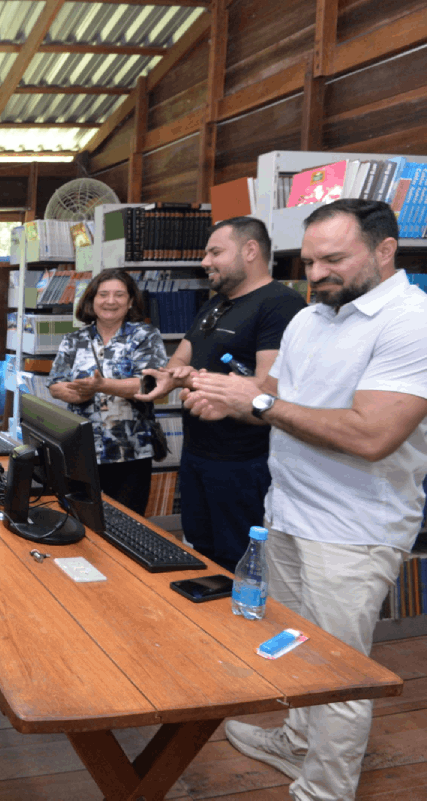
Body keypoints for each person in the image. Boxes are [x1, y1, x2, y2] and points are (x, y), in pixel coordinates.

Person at [184, 199, 427, 801]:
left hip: (353, 530)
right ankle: (297, 741)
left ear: (385, 250)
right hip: (286, 513)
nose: (316, 274)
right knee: (293, 643)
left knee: (340, 671)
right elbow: (272, 398)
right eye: (309, 261)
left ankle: (325, 790)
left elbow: (372, 436)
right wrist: (228, 399)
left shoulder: (410, 321)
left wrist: (257, 402)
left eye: (333, 260)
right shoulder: (310, 318)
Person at [136, 217, 305, 569]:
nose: (205, 262)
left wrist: (201, 381)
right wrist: (172, 378)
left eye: (215, 252)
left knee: (238, 562)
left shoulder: (280, 304)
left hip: (243, 463)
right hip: (198, 455)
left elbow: (268, 389)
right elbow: (180, 361)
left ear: (250, 250)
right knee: (201, 553)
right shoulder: (214, 304)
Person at [46, 269, 167, 514]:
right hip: (81, 450)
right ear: (91, 300)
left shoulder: (145, 336)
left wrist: (102, 386)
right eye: (103, 294)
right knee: (80, 518)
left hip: (130, 451)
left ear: (130, 301)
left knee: (127, 522)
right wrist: (80, 394)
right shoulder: (74, 339)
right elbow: (56, 385)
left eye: (119, 295)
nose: (110, 301)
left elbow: (151, 384)